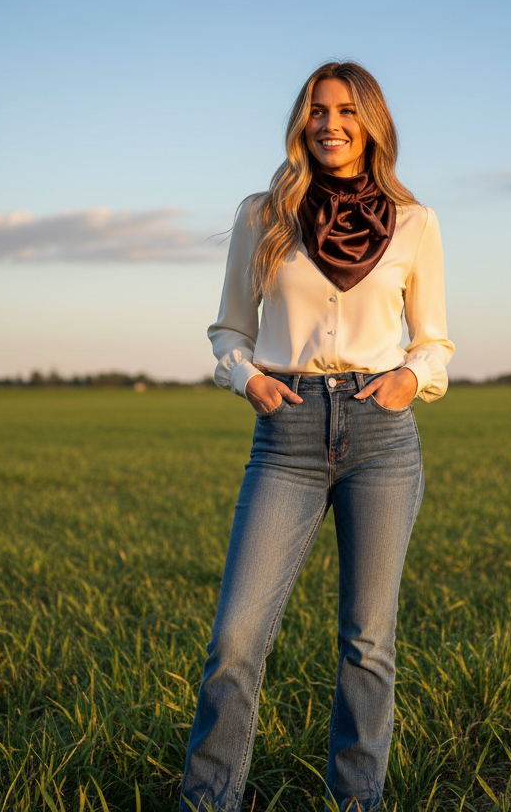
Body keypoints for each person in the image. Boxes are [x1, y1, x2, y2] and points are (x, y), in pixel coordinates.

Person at [179, 60, 454, 812]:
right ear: (302, 122)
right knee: (235, 638)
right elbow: (229, 328)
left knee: (368, 644)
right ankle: (207, 803)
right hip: (288, 432)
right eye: (317, 111)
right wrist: (249, 379)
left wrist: (409, 379)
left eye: (345, 112)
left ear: (372, 124)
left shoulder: (416, 222)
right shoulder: (262, 214)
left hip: (382, 437)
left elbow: (434, 342)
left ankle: (355, 802)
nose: (329, 124)